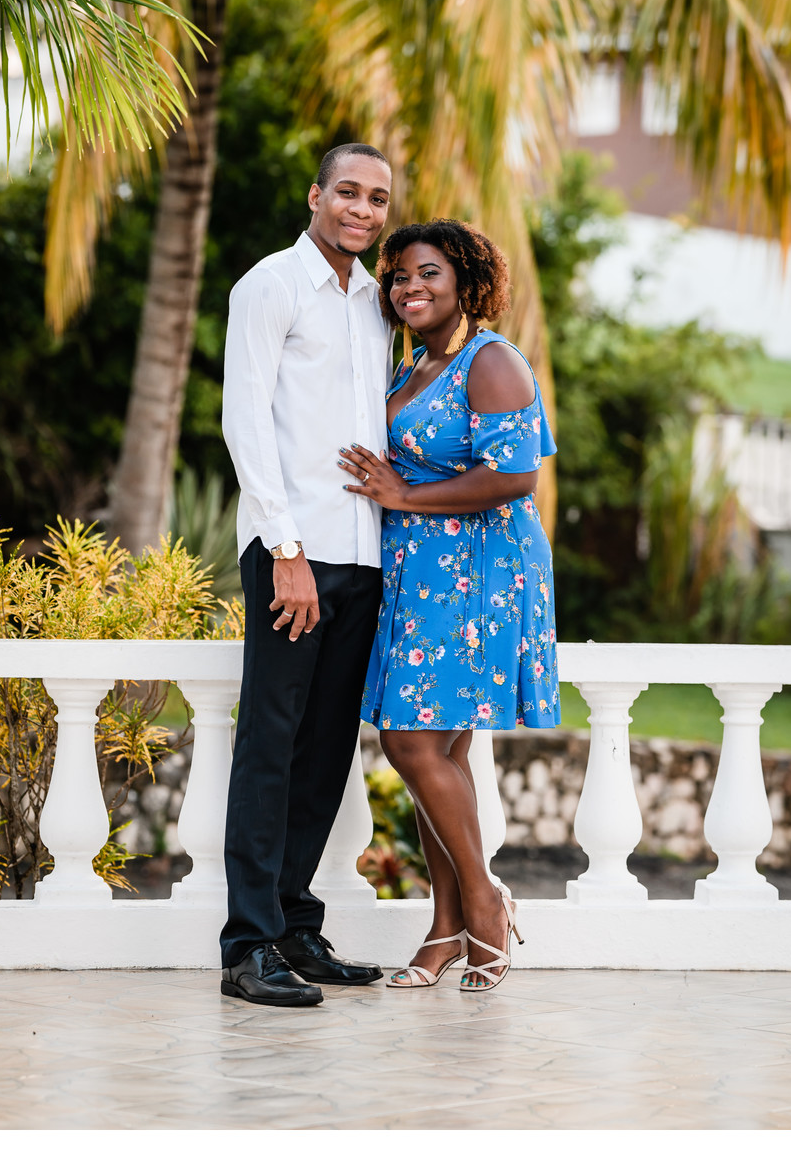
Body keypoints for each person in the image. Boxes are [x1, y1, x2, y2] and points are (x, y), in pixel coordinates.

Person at [338, 218, 560, 993]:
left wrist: (404, 493)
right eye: (398, 277)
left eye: (428, 273)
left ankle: (484, 907)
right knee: (441, 750)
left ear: (465, 280)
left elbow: (514, 475)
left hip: (480, 572)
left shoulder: (489, 361)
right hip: (419, 574)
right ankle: (446, 928)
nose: (410, 288)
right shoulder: (411, 370)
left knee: (412, 742)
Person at [219, 143, 394, 1007]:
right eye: (350, 192)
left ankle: (294, 924)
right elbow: (244, 420)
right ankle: (247, 944)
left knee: (326, 750)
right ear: (316, 194)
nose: (364, 208)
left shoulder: (375, 303)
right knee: (271, 745)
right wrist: (286, 552)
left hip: (364, 559)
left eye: (379, 198)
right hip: (297, 555)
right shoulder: (270, 285)